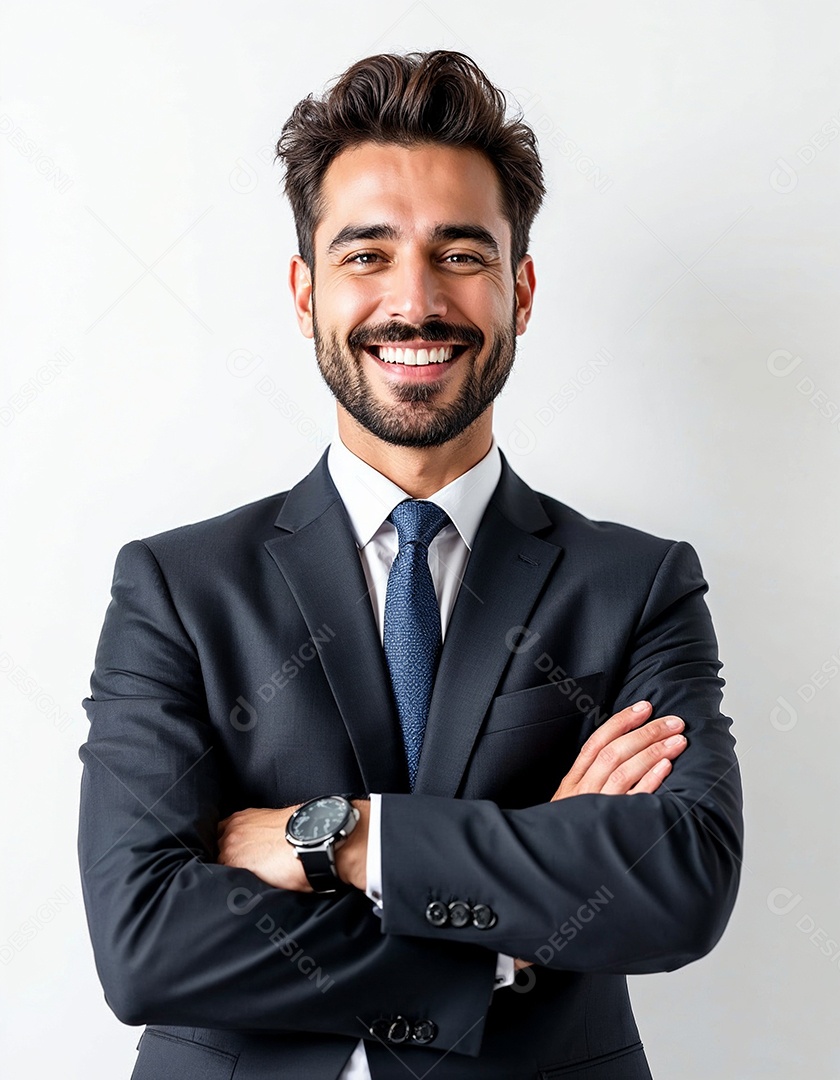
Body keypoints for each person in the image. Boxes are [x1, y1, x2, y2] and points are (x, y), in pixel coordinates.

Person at [78, 50, 743, 1080]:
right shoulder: (177, 587)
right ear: (305, 293)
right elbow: (145, 941)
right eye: (366, 255)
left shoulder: (638, 586)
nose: (415, 300)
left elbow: (677, 883)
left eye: (462, 254)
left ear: (520, 289)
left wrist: (344, 838)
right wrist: (509, 930)